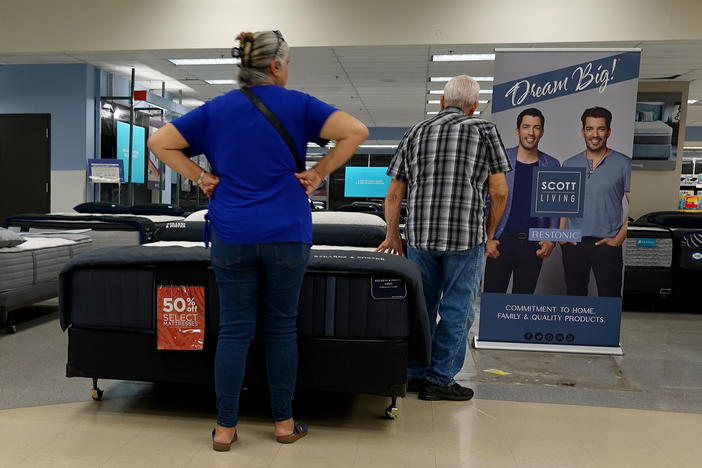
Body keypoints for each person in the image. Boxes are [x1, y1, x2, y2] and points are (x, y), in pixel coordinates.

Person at [148, 30, 368, 450]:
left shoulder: (215, 110)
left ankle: (225, 428)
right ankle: (283, 423)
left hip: (232, 232)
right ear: (277, 66)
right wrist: (319, 173)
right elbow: (355, 130)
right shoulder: (300, 104)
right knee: (282, 328)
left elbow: (159, 141)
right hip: (287, 231)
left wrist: (201, 177)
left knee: (234, 331)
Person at [376, 75, 511, 401]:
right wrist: (488, 234)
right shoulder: (484, 131)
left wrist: (393, 235)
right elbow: (499, 192)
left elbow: (395, 193)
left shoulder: (416, 131)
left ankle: (415, 373)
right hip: (465, 240)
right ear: (474, 106)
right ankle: (440, 379)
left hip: (420, 239)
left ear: (441, 103)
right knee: (458, 311)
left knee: (419, 308)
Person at [483, 108, 560, 294]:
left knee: (523, 306)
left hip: (533, 245)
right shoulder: (500, 160)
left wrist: (551, 241)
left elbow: (556, 208)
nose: (531, 133)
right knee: (493, 302)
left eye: (536, 128)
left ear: (542, 132)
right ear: (517, 131)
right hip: (501, 242)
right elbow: (485, 202)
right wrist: (486, 238)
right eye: (526, 127)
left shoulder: (552, 165)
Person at [560, 106, 630, 297]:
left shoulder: (624, 164)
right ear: (583, 131)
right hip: (574, 245)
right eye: (590, 129)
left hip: (607, 245)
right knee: (575, 299)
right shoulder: (569, 164)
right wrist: (562, 235)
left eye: (600, 129)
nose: (595, 134)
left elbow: (635, 205)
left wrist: (618, 239)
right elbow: (563, 204)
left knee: (609, 300)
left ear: (608, 131)